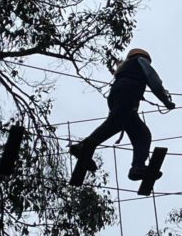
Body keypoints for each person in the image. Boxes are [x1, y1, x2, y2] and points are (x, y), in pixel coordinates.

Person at [70, 48, 175, 181]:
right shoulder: (140, 60)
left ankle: (137, 168)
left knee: (140, 134)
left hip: (119, 97)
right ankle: (82, 147)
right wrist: (166, 101)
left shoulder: (125, 68)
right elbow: (154, 80)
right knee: (119, 125)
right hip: (126, 96)